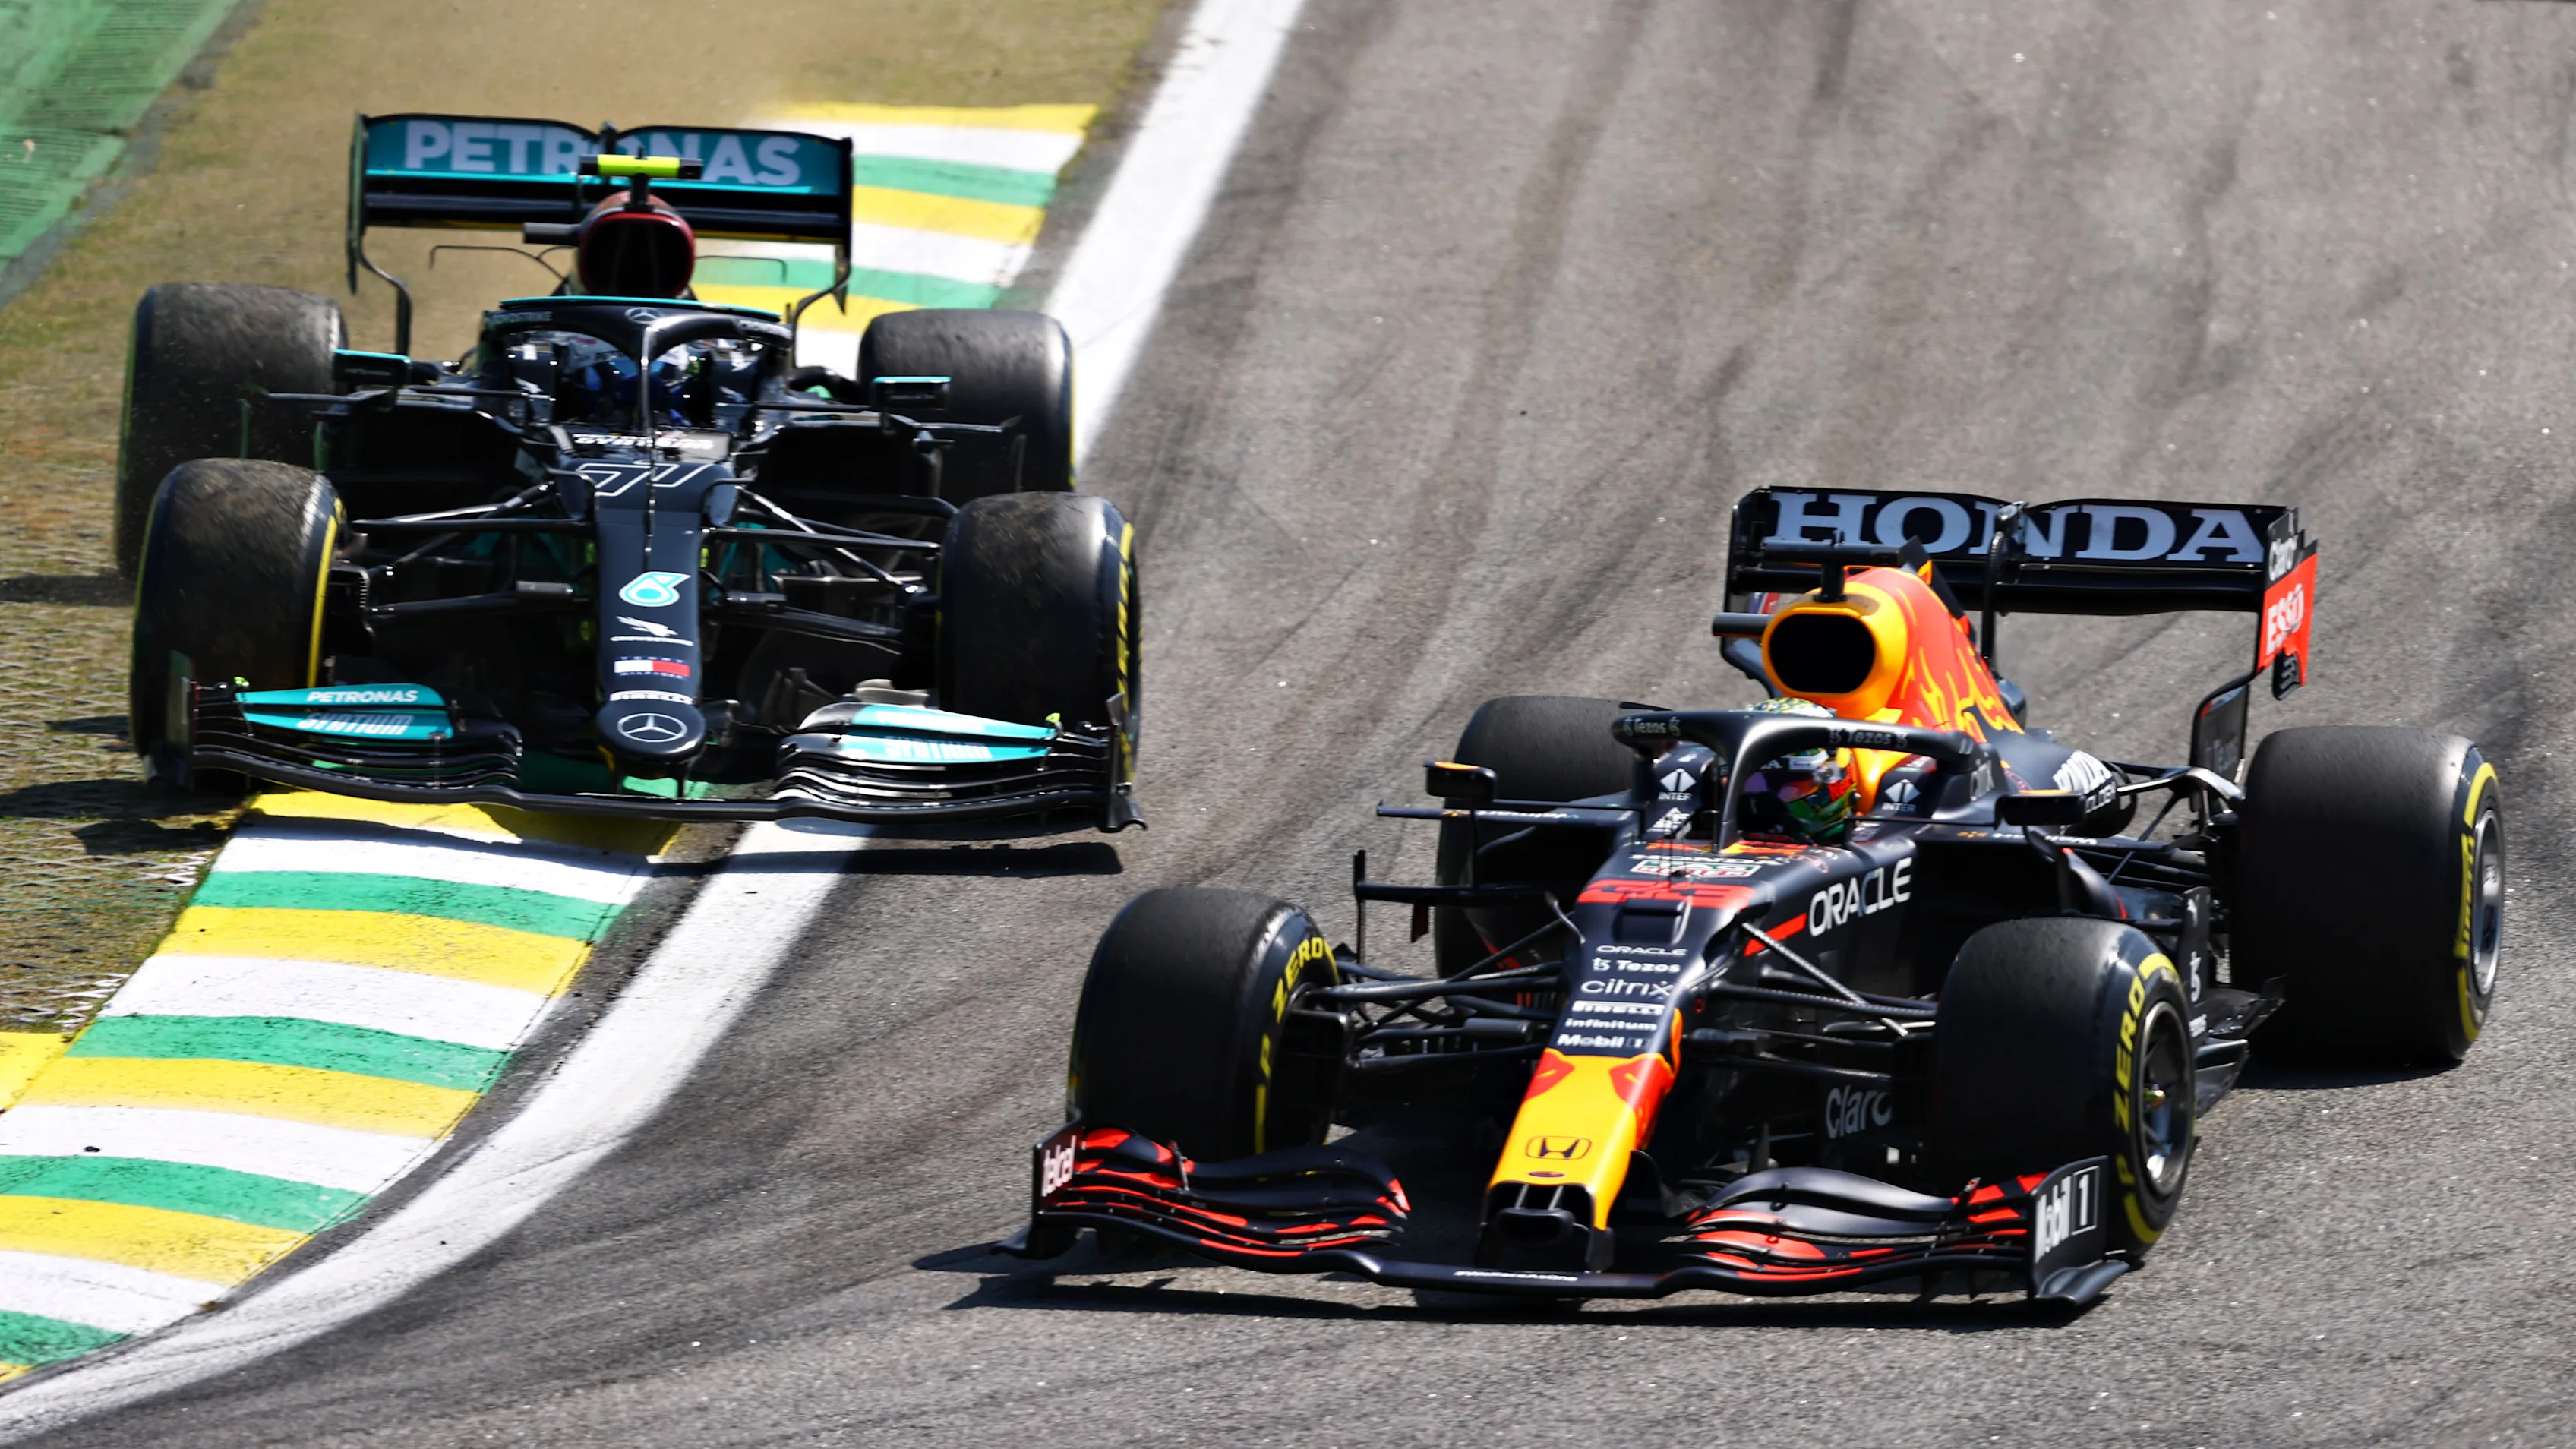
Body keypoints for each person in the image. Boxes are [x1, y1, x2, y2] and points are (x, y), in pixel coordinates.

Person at [1735, 696, 1858, 844]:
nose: (1762, 807)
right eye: (1752, 783)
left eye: (1790, 787)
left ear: (1831, 777)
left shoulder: (1873, 848)